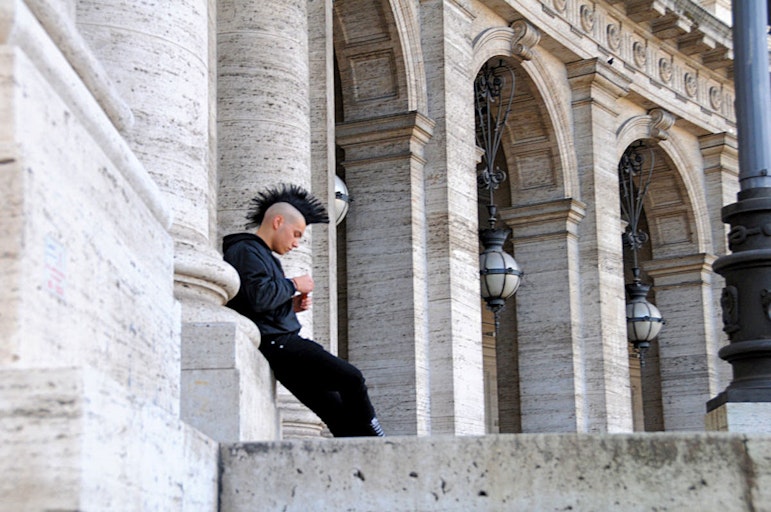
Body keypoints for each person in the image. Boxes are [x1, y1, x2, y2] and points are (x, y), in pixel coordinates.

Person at [223, 183, 385, 437]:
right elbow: (258, 297)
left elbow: (254, 301)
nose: (296, 243)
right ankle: (378, 440)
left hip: (281, 349)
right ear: (278, 222)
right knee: (352, 379)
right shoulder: (246, 250)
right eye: (296, 234)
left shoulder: (259, 254)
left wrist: (290, 306)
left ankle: (363, 452)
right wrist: (294, 284)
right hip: (281, 345)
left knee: (334, 412)